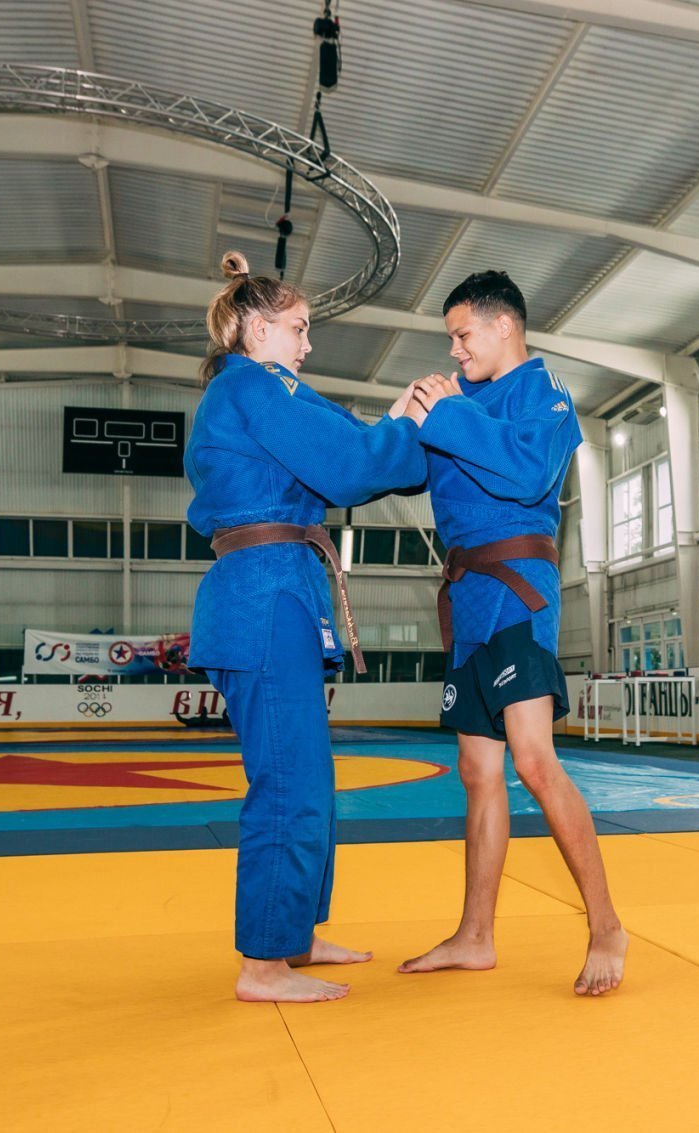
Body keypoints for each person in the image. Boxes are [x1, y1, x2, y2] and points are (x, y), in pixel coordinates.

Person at [186, 251, 428, 1003]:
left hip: (280, 587)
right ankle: (263, 962)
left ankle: (293, 931)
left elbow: (346, 439)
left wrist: (399, 424)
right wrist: (403, 428)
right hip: (263, 595)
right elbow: (349, 465)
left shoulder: (265, 391)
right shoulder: (251, 387)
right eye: (297, 327)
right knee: (288, 780)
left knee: (311, 778)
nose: (307, 342)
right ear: (256, 330)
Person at [396, 270, 627, 996]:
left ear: (504, 326)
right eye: (451, 339)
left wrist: (446, 412)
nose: (456, 350)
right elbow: (404, 469)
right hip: (469, 601)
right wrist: (402, 417)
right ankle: (475, 935)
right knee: (477, 770)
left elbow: (527, 473)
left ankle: (607, 926)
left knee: (533, 759)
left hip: (519, 590)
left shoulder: (542, 392)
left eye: (463, 334)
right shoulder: (460, 403)